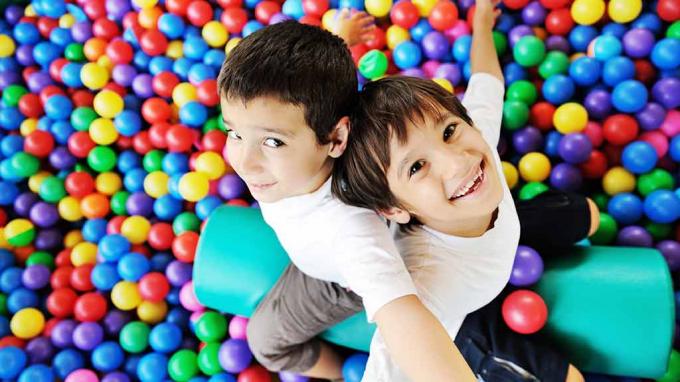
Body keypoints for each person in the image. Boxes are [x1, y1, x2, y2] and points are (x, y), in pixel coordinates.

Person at [332, 0, 594, 380]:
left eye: (449, 131)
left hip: (497, 219)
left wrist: (482, 21)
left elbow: (488, 79)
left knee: (589, 215)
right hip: (469, 315)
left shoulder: (473, 141)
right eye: (417, 167)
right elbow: (391, 362)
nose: (457, 162)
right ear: (393, 210)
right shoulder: (428, 290)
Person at [216, 17, 476, 382]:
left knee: (266, 341)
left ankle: (340, 374)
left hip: (339, 282)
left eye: (273, 142)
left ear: (337, 139)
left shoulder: (349, 229)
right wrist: (341, 39)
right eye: (233, 132)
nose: (244, 161)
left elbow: (401, 310)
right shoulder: (306, 137)